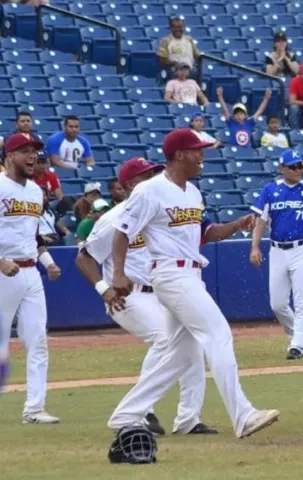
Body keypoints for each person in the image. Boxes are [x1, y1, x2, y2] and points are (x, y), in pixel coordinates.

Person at [106, 128, 280, 439]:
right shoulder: (150, 190)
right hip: (170, 273)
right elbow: (122, 232)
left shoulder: (193, 192)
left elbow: (207, 233)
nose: (203, 155)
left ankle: (127, 414)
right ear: (180, 154)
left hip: (190, 274)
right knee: (218, 333)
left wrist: (236, 225)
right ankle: (242, 415)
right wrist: (119, 273)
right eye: (197, 150)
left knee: (183, 354)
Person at [76, 157, 216, 436]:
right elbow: (84, 258)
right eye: (145, 175)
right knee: (164, 339)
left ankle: (189, 419)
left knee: (192, 343)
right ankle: (142, 411)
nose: (153, 178)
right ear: (128, 185)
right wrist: (105, 289)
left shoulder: (161, 209)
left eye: (154, 172)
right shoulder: (114, 218)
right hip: (130, 295)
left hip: (164, 291)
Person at [249, 150, 303, 360]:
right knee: (277, 303)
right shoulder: (270, 190)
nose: (298, 170)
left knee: (302, 301)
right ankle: (298, 336)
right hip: (277, 249)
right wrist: (254, 247)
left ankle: (297, 345)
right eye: (293, 166)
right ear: (282, 168)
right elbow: (260, 220)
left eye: (300, 165)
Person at [0, 132, 62, 425]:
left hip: (30, 272)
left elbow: (34, 235)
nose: (31, 156)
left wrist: (48, 262)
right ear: (9, 155)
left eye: (35, 151)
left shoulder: (37, 191)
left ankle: (35, 409)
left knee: (37, 340)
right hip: (3, 271)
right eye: (24, 150)